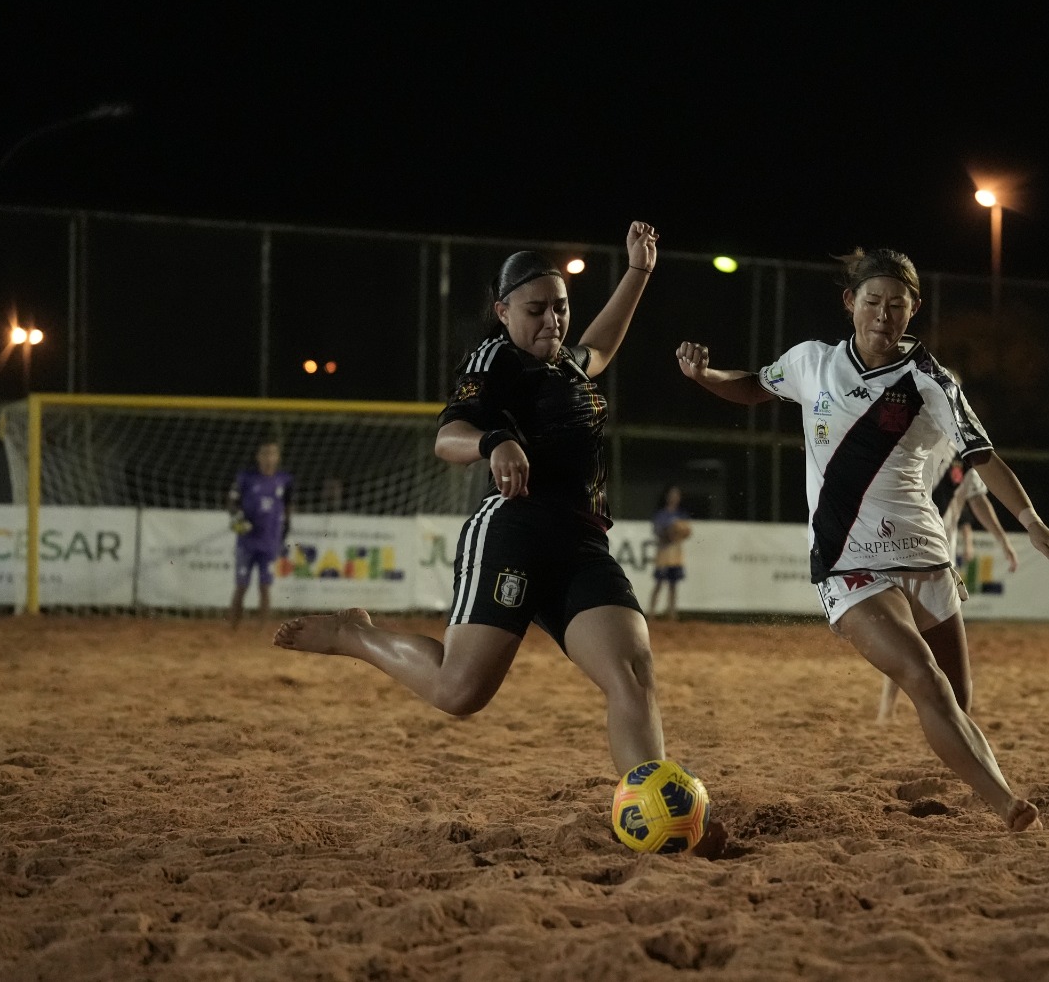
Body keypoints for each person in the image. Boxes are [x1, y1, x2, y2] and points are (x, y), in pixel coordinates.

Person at [274, 223, 722, 852]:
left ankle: (652, 819)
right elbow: (447, 435)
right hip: (513, 533)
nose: (552, 322)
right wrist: (495, 440)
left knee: (632, 672)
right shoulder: (496, 360)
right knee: (459, 694)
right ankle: (355, 633)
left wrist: (638, 272)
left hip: (582, 542)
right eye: (536, 309)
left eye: (560, 308)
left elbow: (598, 346)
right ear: (503, 310)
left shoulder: (569, 366)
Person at [676, 246, 1049, 834]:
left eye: (897, 305)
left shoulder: (930, 381)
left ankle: (976, 781)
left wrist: (1031, 520)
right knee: (921, 676)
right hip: (848, 563)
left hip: (926, 558)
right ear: (850, 303)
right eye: (873, 302)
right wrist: (704, 376)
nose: (884, 315)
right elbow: (753, 386)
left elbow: (982, 456)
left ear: (913, 310)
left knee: (954, 700)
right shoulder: (811, 362)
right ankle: (1005, 802)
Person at [876, 434, 1020, 722]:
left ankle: (944, 713)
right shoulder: (910, 438)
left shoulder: (964, 454)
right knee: (907, 634)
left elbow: (979, 501)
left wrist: (1003, 542)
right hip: (903, 552)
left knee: (922, 639)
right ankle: (889, 709)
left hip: (939, 559)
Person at [226, 440, 292, 627]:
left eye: (272, 453)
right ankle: (232, 629)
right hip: (246, 542)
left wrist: (286, 530)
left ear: (278, 457)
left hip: (269, 542)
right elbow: (231, 502)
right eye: (265, 453)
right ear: (258, 456)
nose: (268, 458)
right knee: (241, 586)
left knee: (265, 587)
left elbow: (288, 506)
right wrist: (239, 519)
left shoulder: (284, 480)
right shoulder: (245, 478)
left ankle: (262, 633)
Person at [649, 484, 691, 619]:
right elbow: (657, 530)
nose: (674, 497)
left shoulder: (681, 514)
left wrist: (680, 531)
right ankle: (651, 612)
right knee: (659, 583)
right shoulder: (662, 514)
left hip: (675, 553)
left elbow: (687, 531)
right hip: (664, 552)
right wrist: (669, 533)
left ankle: (672, 613)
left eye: (676, 495)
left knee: (673, 585)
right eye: (672, 495)